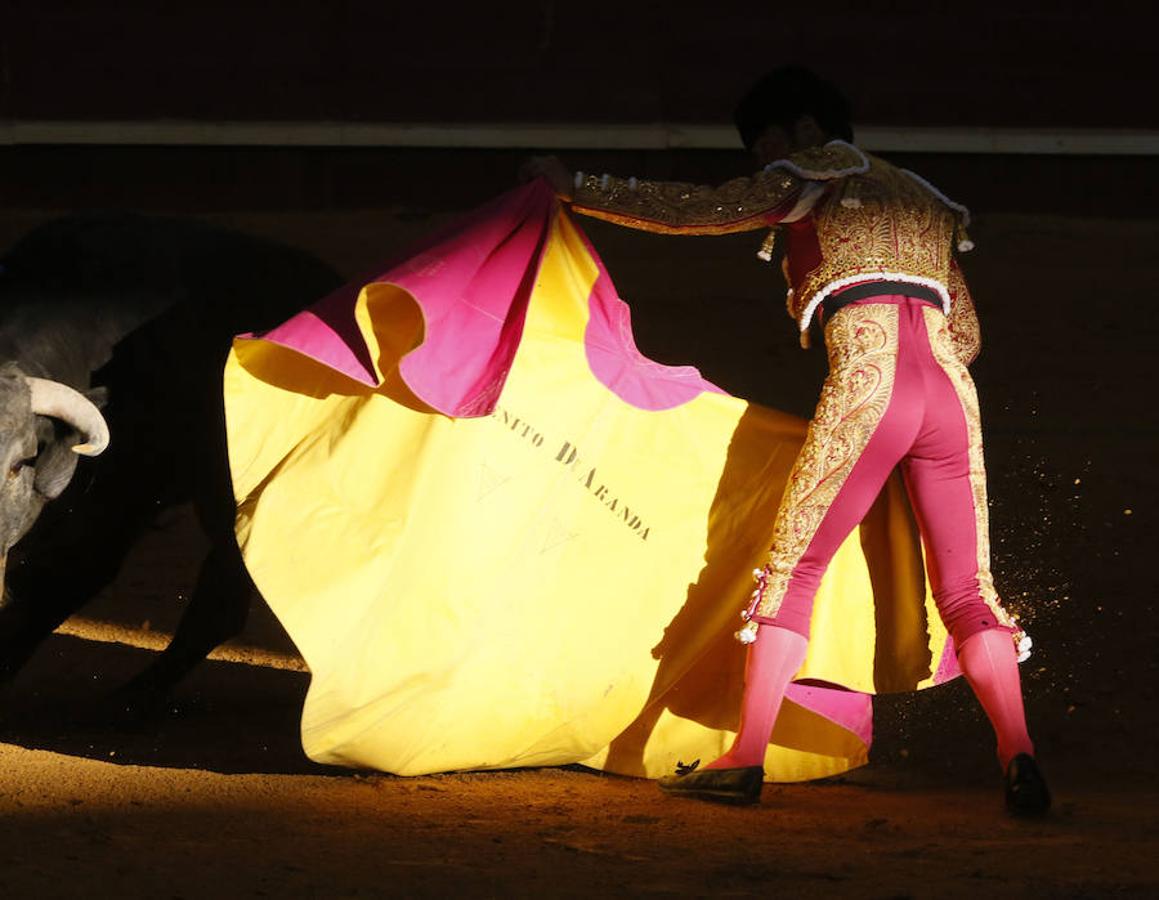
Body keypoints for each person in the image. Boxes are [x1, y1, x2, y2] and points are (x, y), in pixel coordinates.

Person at [530, 66, 1050, 815]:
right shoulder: (925, 199)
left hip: (868, 386)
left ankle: (743, 758)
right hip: (951, 399)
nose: (763, 159)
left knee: (794, 570)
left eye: (768, 141)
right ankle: (1017, 752)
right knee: (970, 592)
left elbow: (696, 211)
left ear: (803, 131)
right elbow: (964, 334)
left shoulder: (808, 175)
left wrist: (576, 186)